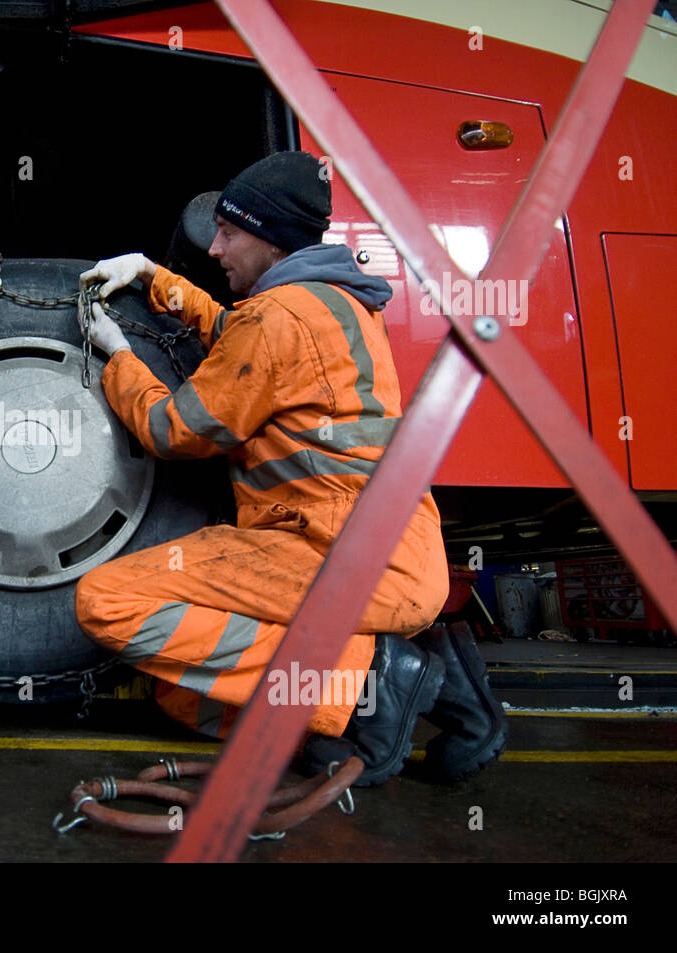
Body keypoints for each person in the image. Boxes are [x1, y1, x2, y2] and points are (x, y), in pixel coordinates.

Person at [74, 151, 505, 785]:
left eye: (228, 233)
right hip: (396, 559)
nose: (215, 249)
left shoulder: (277, 317)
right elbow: (239, 338)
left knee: (110, 601)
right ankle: (421, 687)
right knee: (180, 693)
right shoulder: (335, 305)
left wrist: (118, 358)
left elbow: (175, 429)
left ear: (270, 240)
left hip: (340, 555)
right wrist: (150, 276)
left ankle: (366, 683)